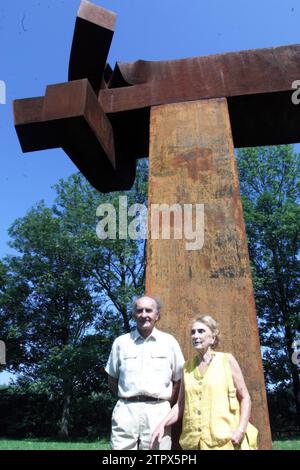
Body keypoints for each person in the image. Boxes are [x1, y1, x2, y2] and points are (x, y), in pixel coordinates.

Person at [150, 314, 258, 450]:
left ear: (212, 338)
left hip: (225, 441)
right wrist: (162, 424)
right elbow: (180, 404)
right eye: (193, 332)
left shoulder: (227, 360)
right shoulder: (187, 367)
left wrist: (241, 430)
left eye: (201, 331)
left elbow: (245, 397)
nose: (195, 336)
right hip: (194, 443)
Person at [105, 295, 185, 450]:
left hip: (158, 411)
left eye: (149, 310)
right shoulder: (121, 343)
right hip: (126, 410)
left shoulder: (169, 342)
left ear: (157, 316)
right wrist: (128, 397)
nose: (144, 314)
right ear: (134, 315)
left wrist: (166, 403)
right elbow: (112, 379)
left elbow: (179, 379)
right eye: (139, 310)